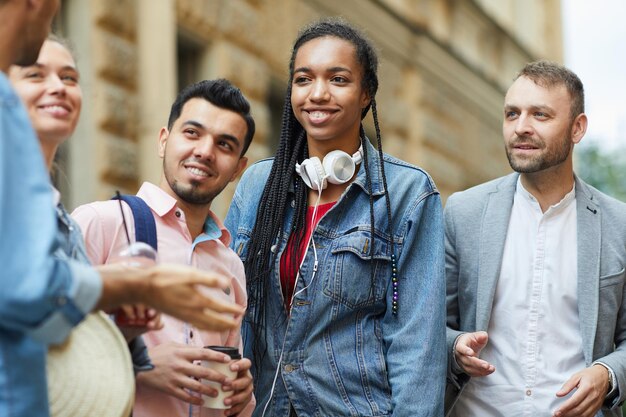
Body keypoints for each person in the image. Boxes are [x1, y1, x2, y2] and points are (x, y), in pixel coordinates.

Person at [0, 2, 241, 416]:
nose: (58, 87)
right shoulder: (98, 220)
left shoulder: (56, 216)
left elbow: (50, 334)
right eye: (35, 74)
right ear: (163, 139)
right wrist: (135, 287)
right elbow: (18, 289)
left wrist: (125, 338)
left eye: (70, 77)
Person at [225, 18, 446, 416]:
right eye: (303, 79)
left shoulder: (408, 194)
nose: (317, 94)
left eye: (338, 79)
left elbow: (417, 345)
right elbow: (229, 308)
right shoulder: (258, 185)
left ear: (366, 94)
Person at [445, 60, 626, 417]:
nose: (521, 128)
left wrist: (607, 374)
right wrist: (455, 347)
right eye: (512, 114)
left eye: (540, 115)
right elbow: (427, 325)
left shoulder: (620, 224)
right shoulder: (463, 212)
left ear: (577, 128)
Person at [73, 79, 255, 417]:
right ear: (163, 140)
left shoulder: (230, 266)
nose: (204, 151)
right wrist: (136, 365)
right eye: (192, 133)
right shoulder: (101, 223)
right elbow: (34, 339)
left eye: (225, 144)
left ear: (237, 170)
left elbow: (226, 383)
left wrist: (242, 398)